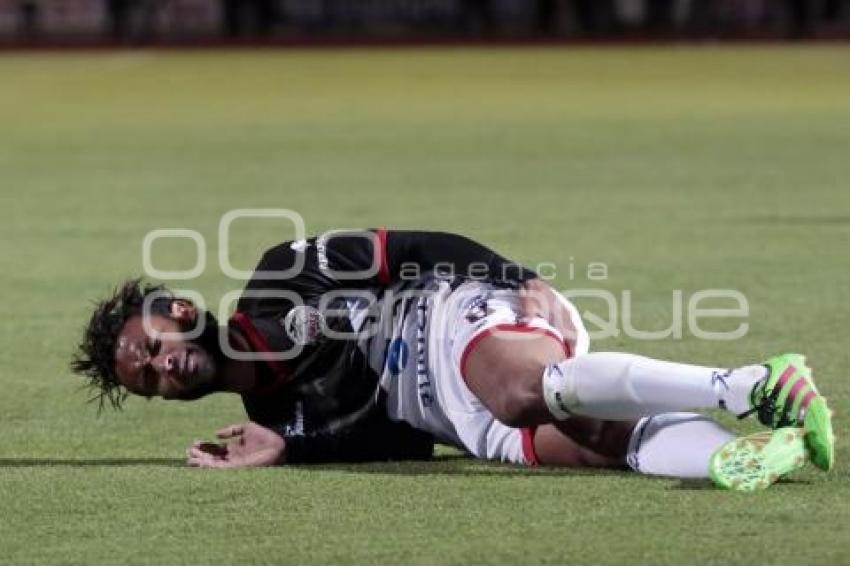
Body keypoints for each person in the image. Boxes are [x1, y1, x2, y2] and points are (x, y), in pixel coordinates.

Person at [71, 229, 835, 491]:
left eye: (149, 350)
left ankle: (750, 385)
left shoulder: (281, 272)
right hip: (442, 415)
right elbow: (397, 443)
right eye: (142, 379)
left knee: (518, 393)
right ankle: (750, 454)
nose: (156, 370)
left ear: (176, 312)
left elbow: (410, 248)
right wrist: (291, 451)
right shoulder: (271, 418)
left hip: (445, 314)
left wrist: (520, 278)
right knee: (601, 444)